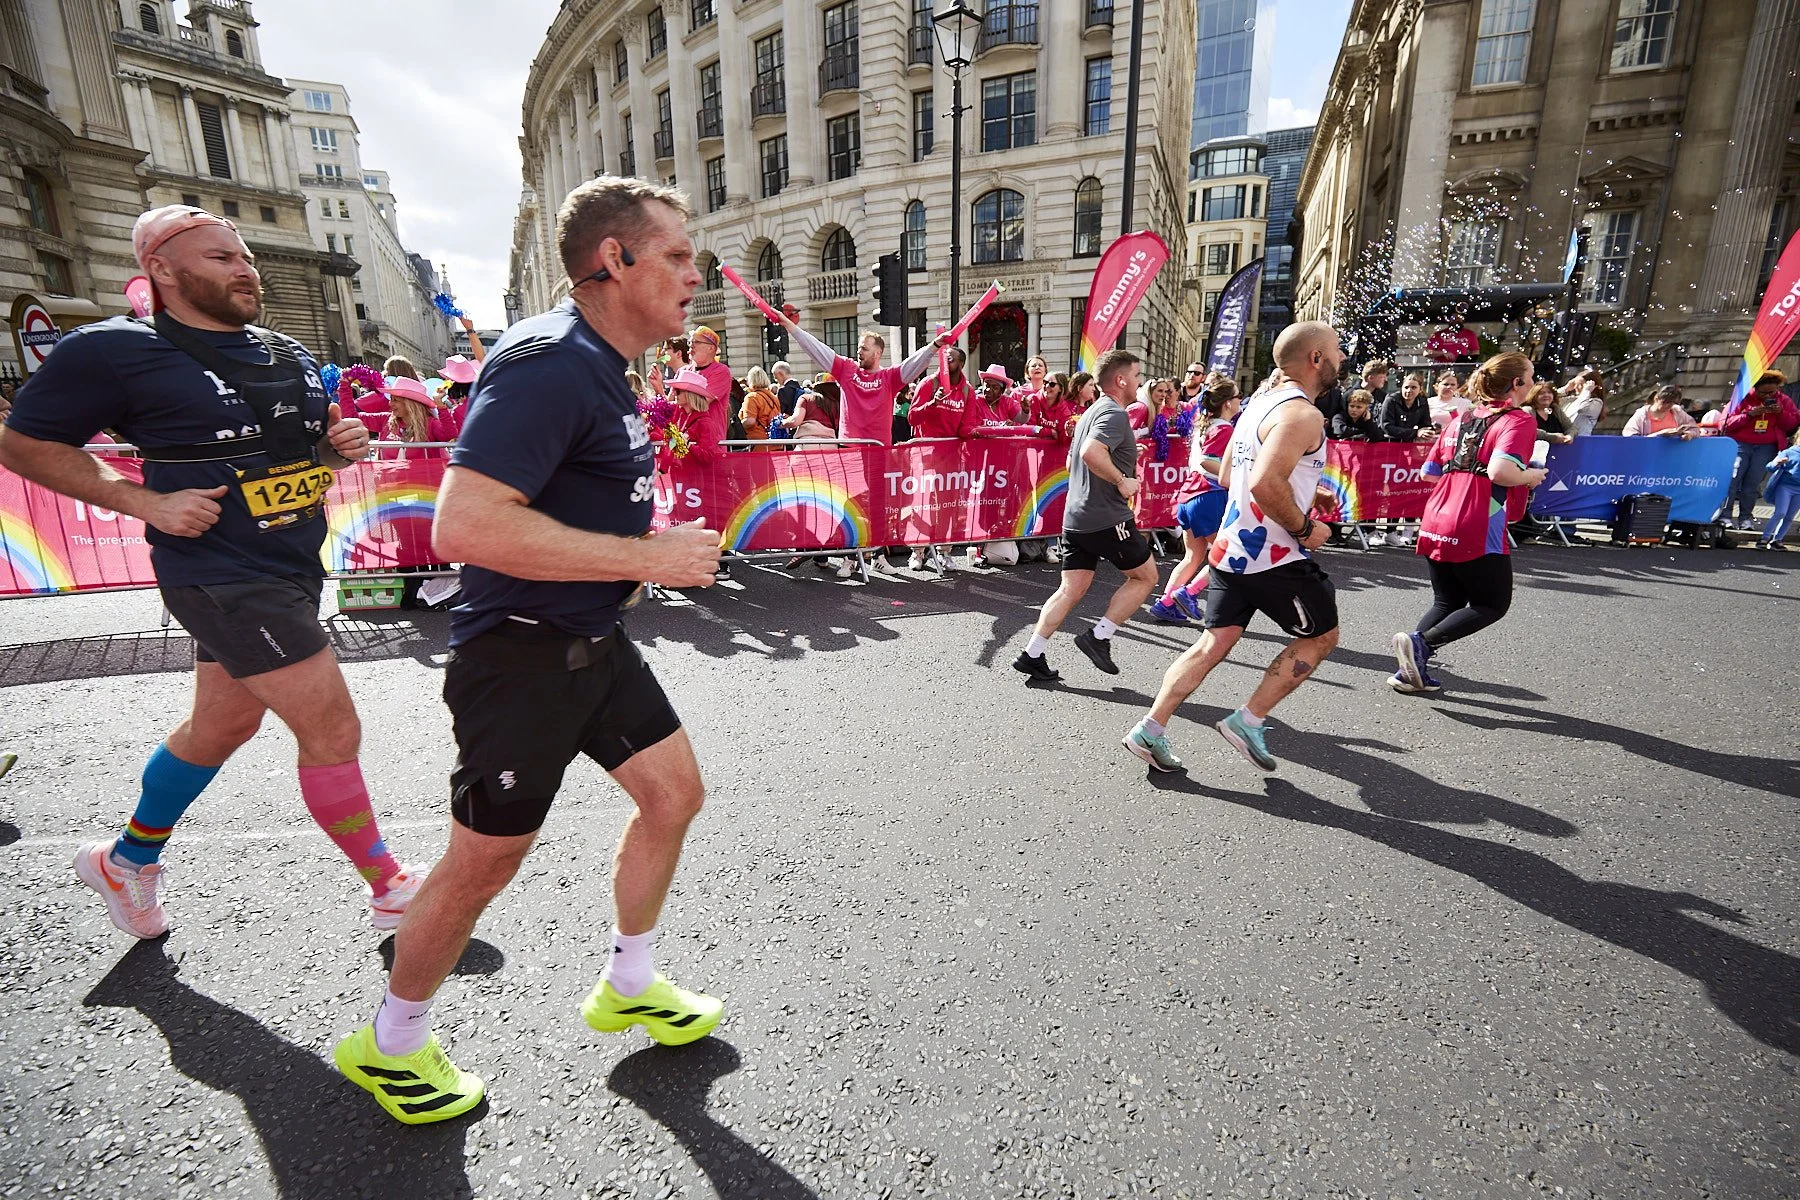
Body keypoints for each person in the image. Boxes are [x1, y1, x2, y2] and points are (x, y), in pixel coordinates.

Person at [333, 176, 726, 1126]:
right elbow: (462, 524)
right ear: (613, 260)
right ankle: (386, 1045)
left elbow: (560, 499)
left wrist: (639, 545)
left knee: (673, 795)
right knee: (483, 864)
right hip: (520, 660)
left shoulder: (607, 364)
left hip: (593, 642)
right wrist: (648, 556)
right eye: (675, 253)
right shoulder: (550, 360)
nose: (695, 274)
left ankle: (629, 982)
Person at [0, 203, 425, 938]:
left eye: (246, 257)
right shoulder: (111, 351)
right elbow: (25, 444)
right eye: (221, 257)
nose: (244, 269)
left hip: (291, 564)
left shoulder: (286, 352)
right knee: (331, 725)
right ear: (160, 270)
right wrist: (141, 501)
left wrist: (338, 445)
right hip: (220, 574)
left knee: (221, 723)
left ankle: (124, 861)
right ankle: (388, 885)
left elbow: (300, 455)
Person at [1121, 321, 1344, 773]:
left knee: (1211, 643)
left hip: (1229, 548)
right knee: (1321, 636)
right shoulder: (1303, 415)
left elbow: (1228, 475)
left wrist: (1304, 490)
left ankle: (1150, 729)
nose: (1342, 359)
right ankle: (1249, 719)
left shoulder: (1258, 406)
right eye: (1336, 351)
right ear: (1315, 358)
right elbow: (1262, 481)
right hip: (1273, 555)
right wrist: (1305, 526)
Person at [1391, 351, 1546, 695]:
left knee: (1446, 601)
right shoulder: (1518, 419)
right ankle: (1420, 647)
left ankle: (1409, 669)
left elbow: (1428, 473)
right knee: (1492, 603)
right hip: (1476, 517)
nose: (1534, 382)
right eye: (1531, 376)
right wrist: (1530, 474)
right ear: (1517, 383)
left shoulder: (1461, 418)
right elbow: (1501, 472)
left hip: (1440, 512)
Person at [1012, 349, 1159, 682]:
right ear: (1121, 379)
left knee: (1070, 589)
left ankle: (1032, 654)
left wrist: (1116, 462)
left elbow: (1071, 463)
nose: (1140, 381)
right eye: (1137, 375)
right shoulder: (1114, 414)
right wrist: (1123, 481)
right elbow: (1090, 453)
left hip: (1075, 518)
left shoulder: (1091, 412)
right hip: (1106, 517)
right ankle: (1100, 636)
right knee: (1146, 577)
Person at [1148, 379, 1239, 622]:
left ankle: (1166, 603)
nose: (1241, 400)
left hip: (1190, 495)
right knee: (1229, 551)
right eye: (1238, 396)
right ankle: (1189, 592)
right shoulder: (1224, 429)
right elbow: (1207, 461)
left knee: (1193, 556)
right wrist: (1240, 477)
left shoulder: (1205, 425)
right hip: (1208, 495)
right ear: (1228, 403)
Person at [775, 308, 936, 445]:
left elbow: (915, 363)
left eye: (865, 349)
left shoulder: (890, 377)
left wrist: (935, 345)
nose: (859, 352)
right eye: (859, 348)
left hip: (878, 449)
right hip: (849, 449)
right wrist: (789, 325)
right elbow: (816, 349)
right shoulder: (846, 368)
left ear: (878, 353)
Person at [1723, 372, 1800, 526]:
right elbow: (1726, 424)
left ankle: (1745, 518)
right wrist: (1750, 414)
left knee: (1752, 484)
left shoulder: (1784, 400)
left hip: (1766, 447)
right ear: (1755, 388)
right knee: (1732, 481)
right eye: (1763, 392)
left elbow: (1791, 425)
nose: (1767, 396)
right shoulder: (1742, 398)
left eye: (1772, 392)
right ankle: (1724, 516)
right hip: (1740, 445)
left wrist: (1781, 414)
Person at [382, 375, 459, 461]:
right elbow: (364, 418)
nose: (390, 404)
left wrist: (440, 405)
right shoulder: (387, 419)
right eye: (391, 399)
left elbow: (450, 434)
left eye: (395, 400)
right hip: (390, 474)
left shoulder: (430, 424)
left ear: (410, 404)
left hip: (426, 474)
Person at [1756, 431, 1800, 550]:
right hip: (1785, 487)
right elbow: (1769, 467)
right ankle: (1764, 538)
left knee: (1790, 517)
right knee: (1780, 512)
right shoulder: (1789, 452)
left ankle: (1777, 540)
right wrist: (1776, 463)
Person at [1621, 384, 1699, 439]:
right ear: (1656, 399)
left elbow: (1694, 428)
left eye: (1672, 402)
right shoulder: (1642, 414)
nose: (1669, 406)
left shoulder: (1677, 411)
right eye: (1666, 402)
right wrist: (1660, 434)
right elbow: (1629, 437)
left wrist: (1689, 434)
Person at [739, 365, 782, 441]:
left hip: (757, 442)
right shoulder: (773, 397)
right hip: (774, 439)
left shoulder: (752, 397)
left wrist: (738, 426)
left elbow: (750, 421)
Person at [1558, 369, 1606, 437]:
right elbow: (1551, 401)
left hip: (1579, 439)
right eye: (1575, 384)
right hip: (1563, 438)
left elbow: (1581, 409)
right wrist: (1566, 388)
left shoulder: (1596, 402)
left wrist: (1586, 391)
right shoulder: (1572, 399)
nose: (1576, 387)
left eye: (1580, 384)